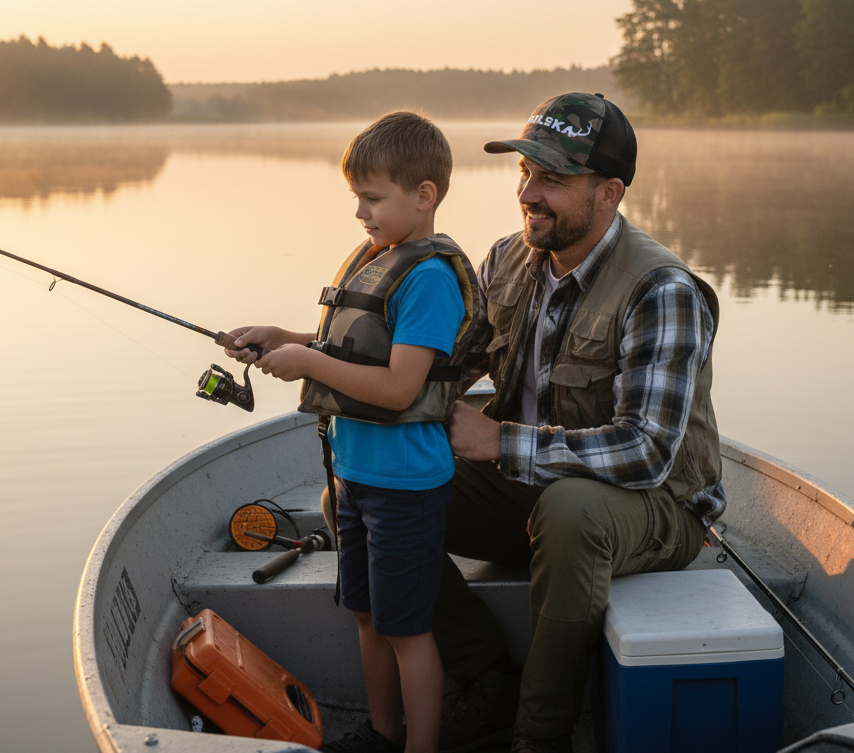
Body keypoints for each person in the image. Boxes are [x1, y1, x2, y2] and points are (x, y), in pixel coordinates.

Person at [433, 93, 725, 753]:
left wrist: (497, 439)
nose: (529, 194)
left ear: (609, 193)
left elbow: (648, 451)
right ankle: (485, 678)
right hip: (534, 489)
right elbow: (438, 369)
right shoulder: (509, 257)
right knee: (364, 489)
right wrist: (322, 350)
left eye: (553, 180)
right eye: (525, 173)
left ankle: (539, 737)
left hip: (656, 508)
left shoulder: (661, 289)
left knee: (570, 512)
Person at [224, 111, 479, 753]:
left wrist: (307, 364)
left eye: (372, 198)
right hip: (354, 478)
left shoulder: (428, 280)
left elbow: (398, 386)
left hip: (405, 487)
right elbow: (351, 341)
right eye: (356, 199)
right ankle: (380, 732)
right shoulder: (379, 260)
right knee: (367, 616)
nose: (360, 214)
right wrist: (284, 338)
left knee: (407, 630)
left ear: (424, 196)